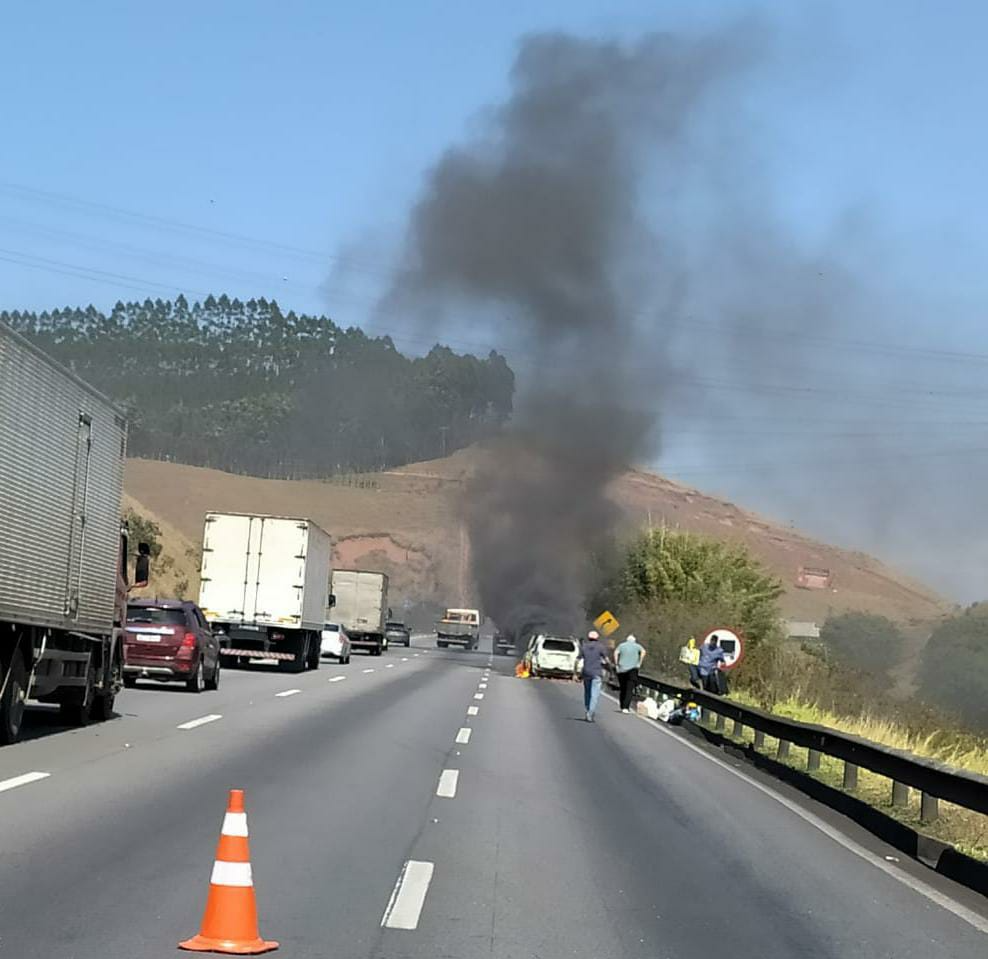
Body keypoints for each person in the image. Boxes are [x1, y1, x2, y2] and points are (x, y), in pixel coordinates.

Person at [580, 629, 608, 722]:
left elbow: (578, 660)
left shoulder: (584, 647)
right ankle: (590, 713)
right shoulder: (601, 647)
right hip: (596, 673)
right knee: (594, 694)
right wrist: (611, 671)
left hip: (586, 672)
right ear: (597, 638)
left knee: (587, 693)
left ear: (588, 638)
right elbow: (606, 660)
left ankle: (588, 709)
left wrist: (576, 673)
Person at [614, 632, 645, 713]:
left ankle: (622, 705)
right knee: (629, 689)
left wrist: (616, 663)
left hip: (622, 669)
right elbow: (643, 652)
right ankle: (626, 707)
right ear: (634, 640)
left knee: (623, 688)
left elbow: (616, 653)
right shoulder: (637, 646)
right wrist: (639, 662)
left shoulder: (621, 645)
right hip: (633, 669)